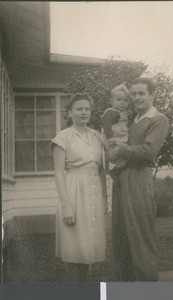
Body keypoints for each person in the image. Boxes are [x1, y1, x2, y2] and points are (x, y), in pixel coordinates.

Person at [111, 78, 169, 281]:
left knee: (141, 241)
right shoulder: (129, 120)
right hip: (120, 181)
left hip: (138, 181)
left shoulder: (158, 119)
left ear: (152, 95)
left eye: (141, 93)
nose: (136, 98)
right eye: (133, 94)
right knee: (121, 241)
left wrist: (120, 150)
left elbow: (148, 152)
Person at [51, 92, 107, 281]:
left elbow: (102, 168)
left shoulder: (97, 137)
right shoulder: (63, 137)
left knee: (90, 247)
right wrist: (66, 205)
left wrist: (105, 199)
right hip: (73, 193)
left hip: (94, 192)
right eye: (79, 109)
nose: (84, 112)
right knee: (75, 248)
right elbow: (59, 173)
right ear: (69, 113)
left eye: (87, 109)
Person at [101, 84, 134, 169]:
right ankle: (117, 163)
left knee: (127, 150)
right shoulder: (110, 112)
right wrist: (110, 137)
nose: (122, 102)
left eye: (125, 100)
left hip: (123, 138)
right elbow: (107, 125)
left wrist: (131, 112)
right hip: (113, 139)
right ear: (111, 101)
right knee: (116, 150)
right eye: (118, 100)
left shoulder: (125, 112)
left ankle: (121, 163)